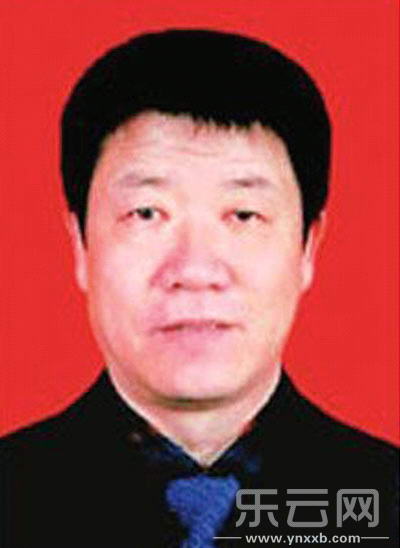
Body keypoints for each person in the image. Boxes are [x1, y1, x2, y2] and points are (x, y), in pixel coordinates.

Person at [1, 29, 398, 548]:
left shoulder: (381, 500)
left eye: (244, 215)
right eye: (147, 213)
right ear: (80, 244)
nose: (194, 269)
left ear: (308, 247)